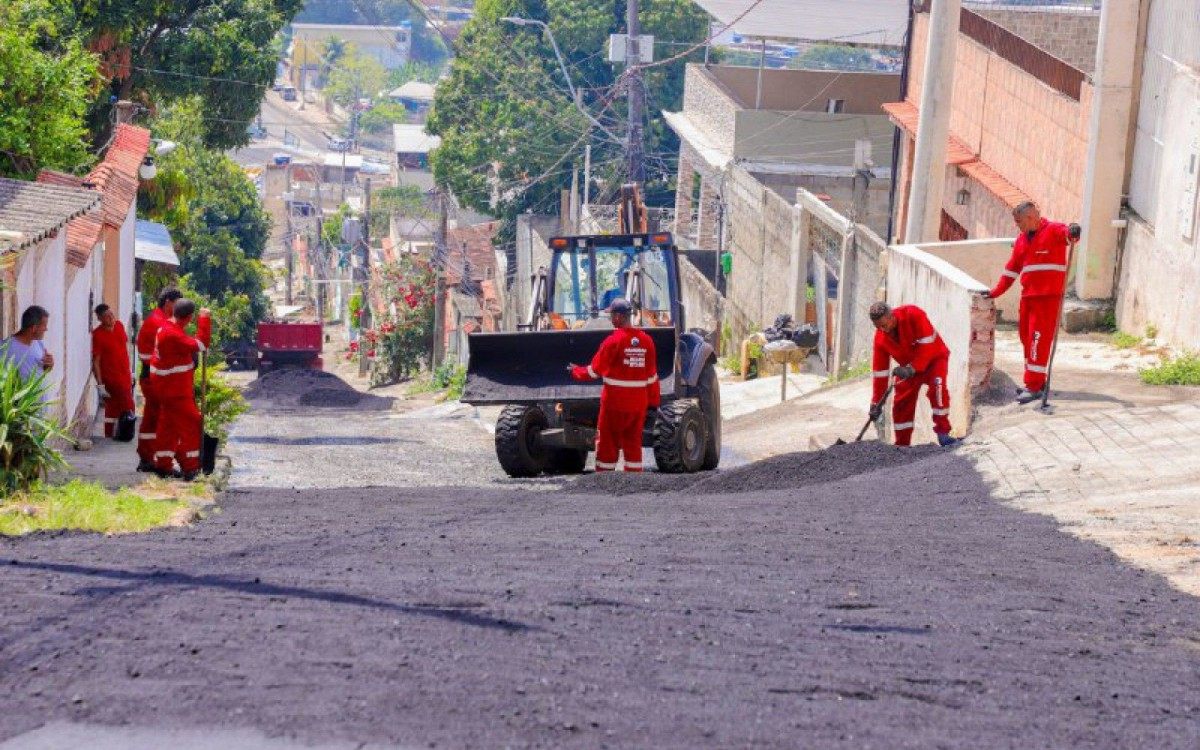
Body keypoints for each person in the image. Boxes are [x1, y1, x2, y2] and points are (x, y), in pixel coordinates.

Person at [979, 201, 1081, 404]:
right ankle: (1034, 381)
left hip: (1047, 299)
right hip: (1028, 298)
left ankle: (1034, 387)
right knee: (1026, 338)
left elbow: (1068, 235)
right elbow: (1011, 270)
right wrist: (994, 293)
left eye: (1019, 221)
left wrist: (1073, 230)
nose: (1018, 226)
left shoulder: (1053, 230)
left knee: (1037, 340)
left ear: (1031, 217)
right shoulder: (1021, 241)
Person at [568, 299, 660, 472]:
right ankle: (633, 481)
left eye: (611, 315)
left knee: (607, 443)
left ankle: (605, 481)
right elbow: (652, 378)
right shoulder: (647, 342)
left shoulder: (612, 342)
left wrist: (574, 372)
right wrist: (653, 405)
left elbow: (594, 371)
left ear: (618, 316)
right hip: (638, 406)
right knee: (633, 444)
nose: (610, 318)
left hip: (614, 406)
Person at [869, 302, 958, 448]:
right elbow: (880, 373)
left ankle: (943, 434)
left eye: (884, 325)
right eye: (878, 326)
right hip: (909, 369)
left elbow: (928, 347)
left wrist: (912, 368)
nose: (882, 330)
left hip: (934, 359)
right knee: (901, 403)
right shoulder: (880, 338)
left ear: (892, 317)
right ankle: (902, 446)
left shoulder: (913, 314)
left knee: (938, 389)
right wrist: (876, 404)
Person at [149, 298, 211, 481]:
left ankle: (163, 464)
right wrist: (205, 319)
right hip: (175, 390)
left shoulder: (166, 328)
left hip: (166, 388)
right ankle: (191, 468)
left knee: (168, 426)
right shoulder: (173, 335)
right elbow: (201, 344)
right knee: (193, 423)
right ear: (189, 318)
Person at [136, 288, 182, 471]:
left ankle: (149, 458)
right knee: (158, 418)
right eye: (177, 303)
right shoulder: (157, 322)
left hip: (155, 375)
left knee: (153, 418)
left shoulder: (160, 320)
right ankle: (153, 459)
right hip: (154, 376)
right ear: (168, 302)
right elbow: (153, 353)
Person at [91, 304, 135, 438]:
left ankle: (119, 434)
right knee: (120, 407)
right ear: (100, 318)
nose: (111, 318)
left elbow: (125, 349)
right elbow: (96, 361)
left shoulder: (120, 326)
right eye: (107, 316)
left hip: (125, 376)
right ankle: (116, 435)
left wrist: (131, 371)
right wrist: (100, 385)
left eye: (112, 314)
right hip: (110, 379)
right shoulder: (98, 334)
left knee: (121, 407)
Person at [0, 305, 55, 386]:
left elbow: (43, 370)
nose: (46, 329)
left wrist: (49, 365)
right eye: (44, 325)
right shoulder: (6, 348)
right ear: (34, 328)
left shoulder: (39, 343)